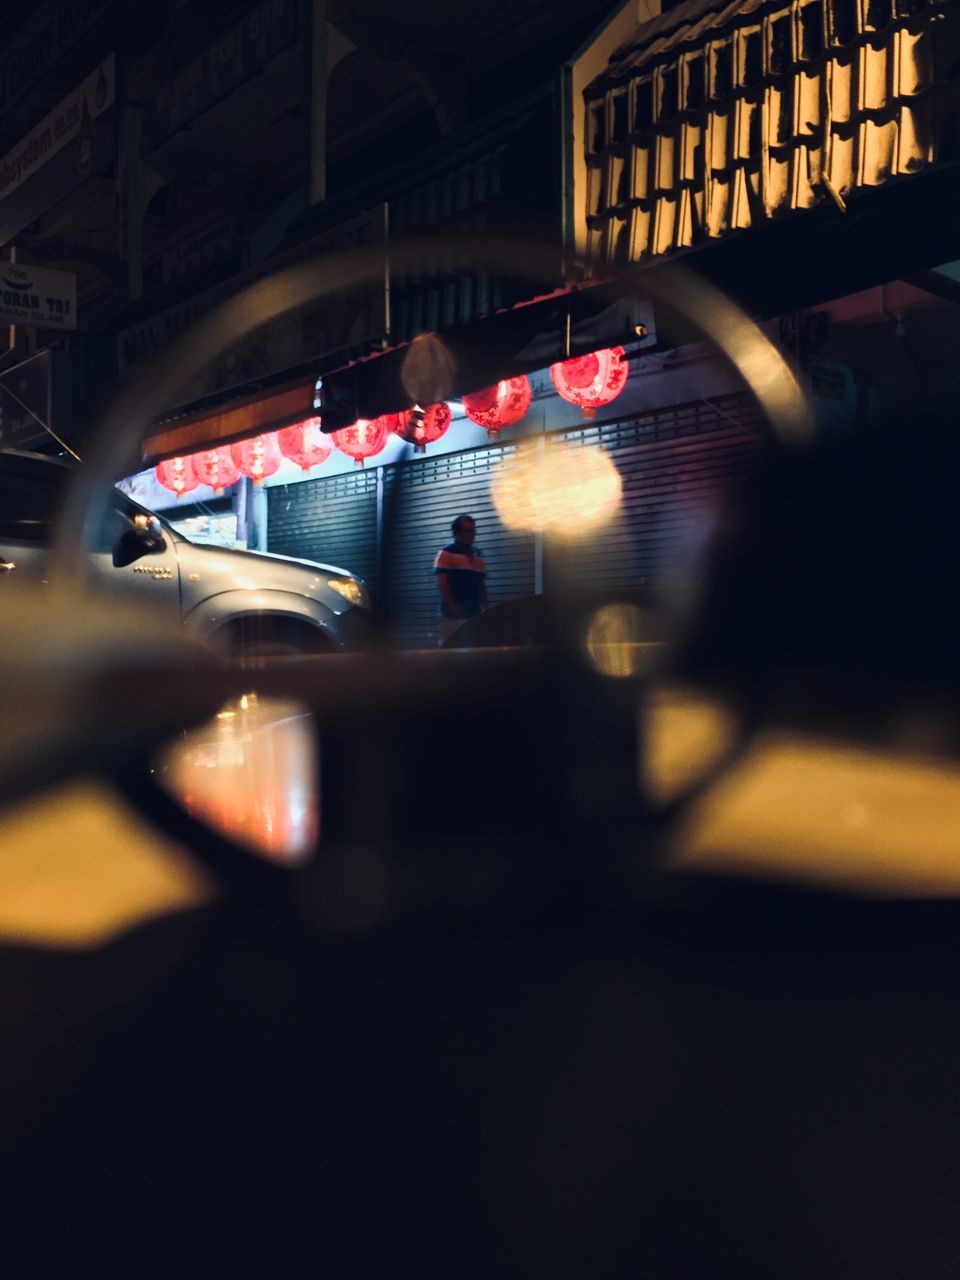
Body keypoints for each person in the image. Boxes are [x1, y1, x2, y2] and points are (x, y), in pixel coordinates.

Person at [434, 513, 487, 644]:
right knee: (452, 651)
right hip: (452, 616)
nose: (472, 535)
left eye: (473, 531)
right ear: (456, 532)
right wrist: (453, 606)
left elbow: (480, 583)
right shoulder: (446, 553)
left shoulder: (477, 555)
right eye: (467, 531)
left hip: (474, 613)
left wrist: (486, 606)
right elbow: (442, 583)